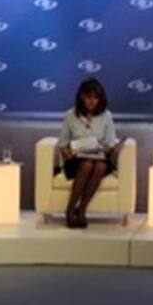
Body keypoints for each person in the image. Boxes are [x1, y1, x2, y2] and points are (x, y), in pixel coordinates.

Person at [58, 78, 117, 228]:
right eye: (88, 97)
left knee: (100, 166)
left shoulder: (106, 116)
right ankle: (70, 209)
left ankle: (82, 210)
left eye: (96, 97)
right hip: (76, 159)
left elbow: (111, 144)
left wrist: (102, 149)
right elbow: (63, 143)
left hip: (99, 157)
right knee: (87, 164)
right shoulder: (71, 115)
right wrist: (67, 153)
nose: (92, 101)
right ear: (81, 97)